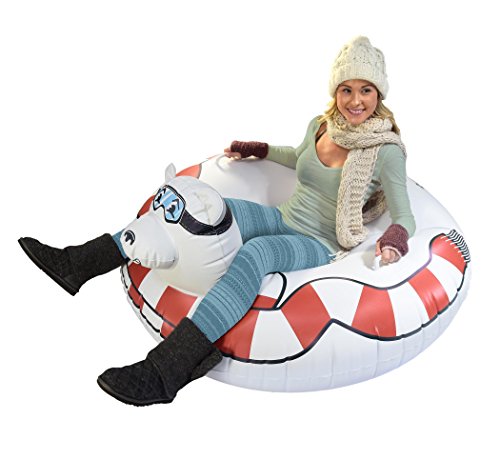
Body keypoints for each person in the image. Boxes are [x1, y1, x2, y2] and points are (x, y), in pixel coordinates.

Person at [18, 36, 415, 406]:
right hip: (284, 215)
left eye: (366, 90)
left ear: (379, 94)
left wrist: (395, 238)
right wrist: (257, 149)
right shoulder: (322, 125)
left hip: (320, 241)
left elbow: (405, 216)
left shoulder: (386, 151)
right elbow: (297, 157)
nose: (355, 100)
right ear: (335, 91)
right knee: (200, 206)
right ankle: (76, 263)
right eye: (347, 89)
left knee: (256, 254)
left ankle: (166, 371)